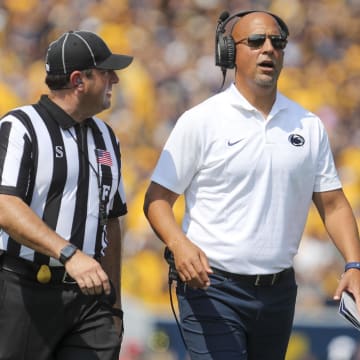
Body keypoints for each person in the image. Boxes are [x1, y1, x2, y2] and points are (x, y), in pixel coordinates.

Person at [143, 10, 360, 360]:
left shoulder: (308, 125)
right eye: (256, 41)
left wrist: (354, 264)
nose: (268, 49)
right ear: (230, 53)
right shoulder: (201, 121)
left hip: (279, 291)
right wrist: (179, 245)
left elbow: (333, 204)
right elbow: (157, 199)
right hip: (212, 287)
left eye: (277, 42)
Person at [0, 30, 133, 359]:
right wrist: (69, 254)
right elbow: (4, 205)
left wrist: (114, 306)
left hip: (90, 301)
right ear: (79, 80)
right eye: (106, 72)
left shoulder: (106, 136)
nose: (115, 79)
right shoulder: (21, 126)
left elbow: (111, 221)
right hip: (23, 290)